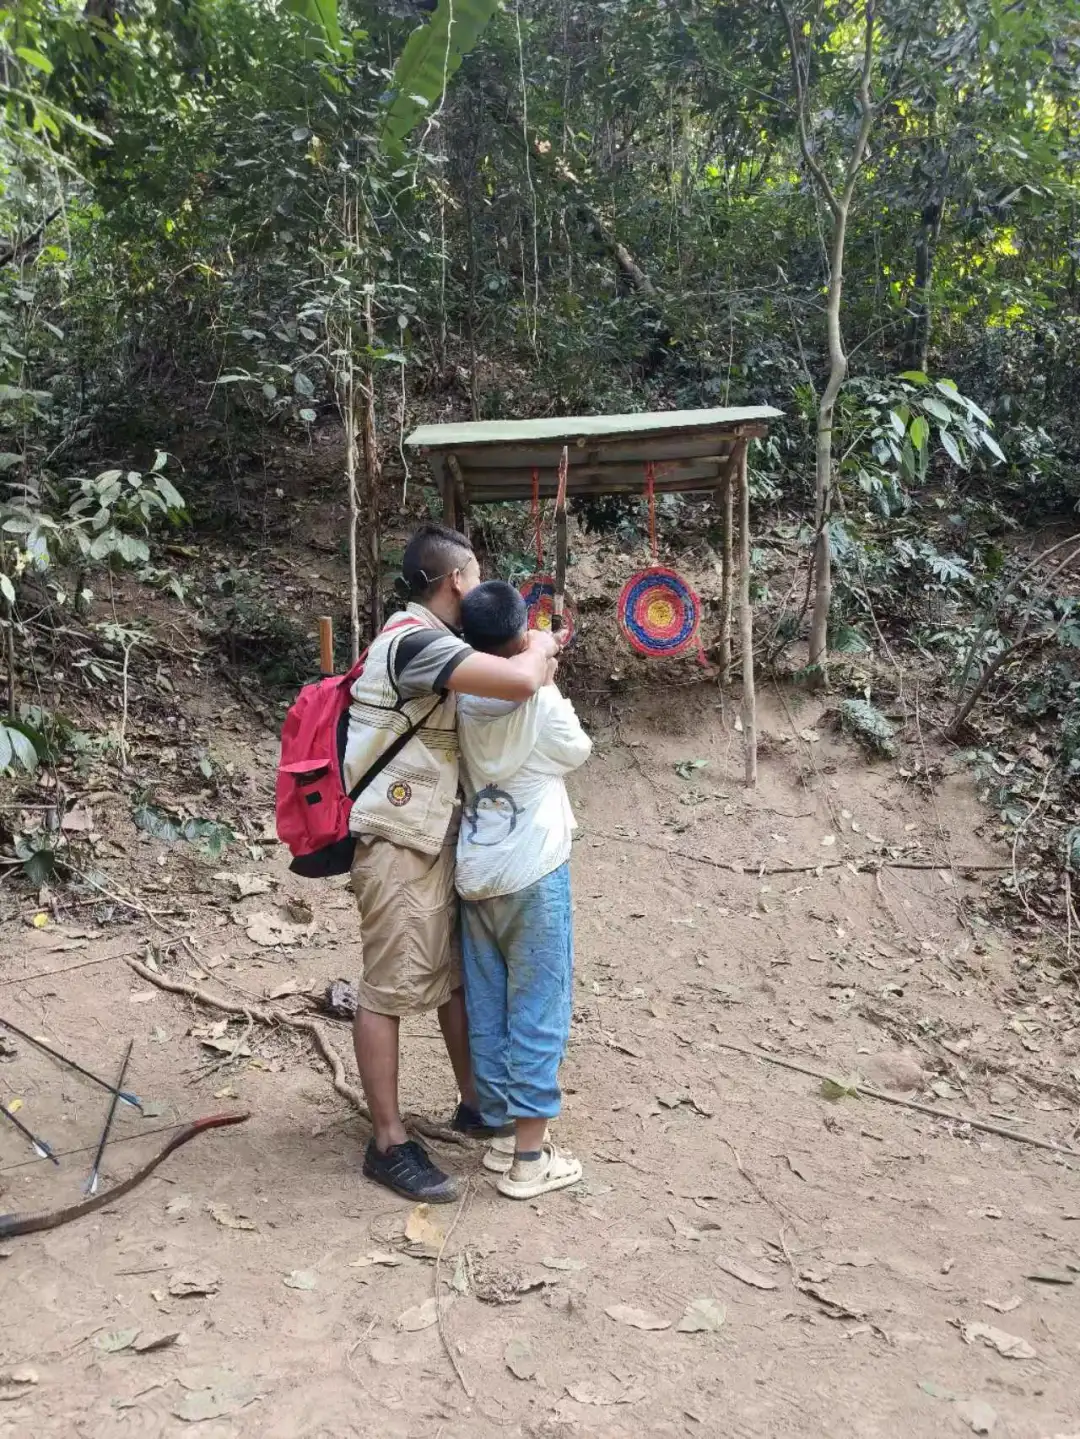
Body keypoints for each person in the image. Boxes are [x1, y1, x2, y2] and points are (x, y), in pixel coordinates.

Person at [343, 523, 561, 1203]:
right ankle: (388, 1143)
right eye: (475, 572)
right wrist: (545, 641)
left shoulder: (433, 640)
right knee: (387, 989)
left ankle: (477, 1105)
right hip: (395, 840)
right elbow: (522, 679)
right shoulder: (414, 643)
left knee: (448, 979)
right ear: (456, 580)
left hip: (429, 835)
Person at [454, 580, 592, 1199]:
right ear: (520, 636)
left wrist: (528, 655)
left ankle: (505, 1132)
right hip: (534, 874)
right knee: (538, 1007)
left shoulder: (460, 692)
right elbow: (578, 749)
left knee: (491, 1007)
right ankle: (529, 1162)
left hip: (476, 873)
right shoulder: (537, 700)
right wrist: (544, 668)